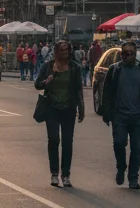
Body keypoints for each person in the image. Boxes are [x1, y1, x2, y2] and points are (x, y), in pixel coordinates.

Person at [100, 41, 140, 191]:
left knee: (136, 149)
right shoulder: (115, 70)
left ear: (136, 54)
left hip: (138, 117)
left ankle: (133, 178)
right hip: (120, 116)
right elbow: (106, 93)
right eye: (125, 53)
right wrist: (107, 112)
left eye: (131, 53)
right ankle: (121, 167)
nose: (128, 56)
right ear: (121, 55)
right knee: (119, 143)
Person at [34, 40, 85, 188]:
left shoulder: (74, 68)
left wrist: (81, 108)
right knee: (54, 139)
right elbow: (37, 84)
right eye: (62, 51)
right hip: (52, 108)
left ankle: (66, 174)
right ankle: (54, 173)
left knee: (68, 142)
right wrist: (47, 81)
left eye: (67, 50)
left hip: (68, 109)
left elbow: (78, 89)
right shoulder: (48, 66)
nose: (65, 53)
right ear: (56, 52)